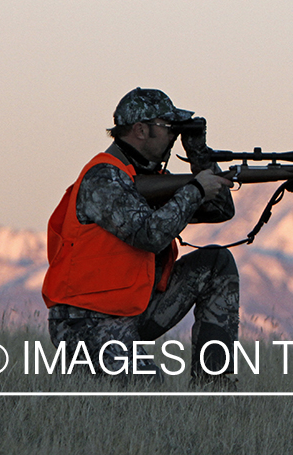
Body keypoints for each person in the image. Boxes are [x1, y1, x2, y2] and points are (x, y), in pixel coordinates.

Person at [42, 88, 238, 385]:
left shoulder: (147, 179)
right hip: (85, 321)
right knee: (149, 392)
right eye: (168, 127)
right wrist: (195, 190)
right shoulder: (103, 179)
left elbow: (220, 209)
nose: (173, 135)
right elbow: (149, 235)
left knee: (216, 263)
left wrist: (200, 155)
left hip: (134, 306)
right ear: (140, 130)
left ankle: (214, 391)